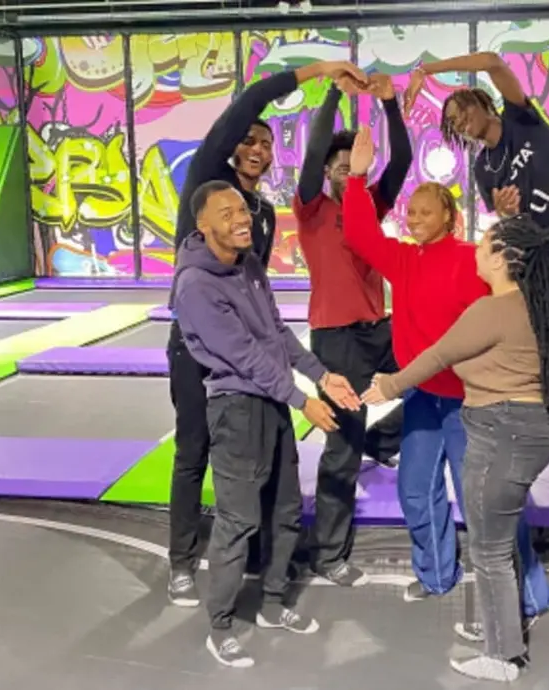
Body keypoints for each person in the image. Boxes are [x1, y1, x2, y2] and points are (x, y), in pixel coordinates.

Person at [166, 59, 369, 607]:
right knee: (194, 450)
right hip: (199, 350)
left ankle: (256, 551)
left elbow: (264, 315)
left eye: (266, 144)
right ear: (232, 147)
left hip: (252, 351)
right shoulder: (209, 182)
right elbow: (247, 104)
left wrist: (310, 372)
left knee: (261, 455)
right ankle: (182, 559)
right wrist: (319, 72)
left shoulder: (260, 212)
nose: (257, 148)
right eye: (249, 140)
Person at [342, 127, 549, 633]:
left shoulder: (471, 260)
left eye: (424, 212)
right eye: (410, 213)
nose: (414, 219)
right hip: (422, 398)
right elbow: (361, 236)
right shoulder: (403, 259)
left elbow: (514, 289)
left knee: (485, 503)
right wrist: (356, 178)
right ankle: (436, 575)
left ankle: (530, 593)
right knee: (416, 488)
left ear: (450, 218)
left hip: (470, 403)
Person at [403, 52, 549, 496]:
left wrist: (427, 71)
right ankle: (526, 458)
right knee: (538, 364)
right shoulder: (483, 168)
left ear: (482, 102)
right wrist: (504, 214)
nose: (460, 123)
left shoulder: (523, 119)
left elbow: (492, 60)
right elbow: (511, 226)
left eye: (462, 111)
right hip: (536, 263)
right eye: (452, 122)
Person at [362, 213, 549, 683]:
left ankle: (502, 656)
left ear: (501, 259)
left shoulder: (490, 311)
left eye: (484, 243)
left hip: (501, 434)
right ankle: (502, 627)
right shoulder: (533, 304)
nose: (476, 249)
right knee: (500, 541)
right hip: (529, 431)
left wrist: (389, 386)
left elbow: (438, 355)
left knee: (489, 551)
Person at [171, 179, 362, 668]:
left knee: (285, 509)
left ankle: (273, 603)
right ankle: (220, 625)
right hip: (236, 409)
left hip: (271, 403)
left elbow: (277, 333)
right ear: (202, 224)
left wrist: (323, 375)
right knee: (239, 521)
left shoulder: (250, 263)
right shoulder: (195, 285)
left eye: (243, 210)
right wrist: (302, 400)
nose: (242, 219)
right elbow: (245, 357)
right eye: (227, 213)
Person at [293, 72, 411, 587]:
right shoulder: (311, 209)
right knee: (341, 450)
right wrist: (335, 92)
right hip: (337, 340)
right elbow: (315, 149)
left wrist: (389, 105)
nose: (348, 174)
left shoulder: (369, 205)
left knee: (435, 373)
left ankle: (381, 442)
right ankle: (328, 554)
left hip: (380, 330)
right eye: (340, 168)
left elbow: (401, 161)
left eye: (353, 167)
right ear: (327, 173)